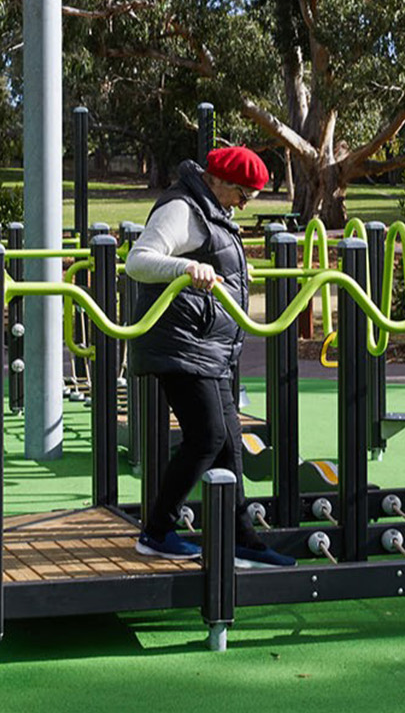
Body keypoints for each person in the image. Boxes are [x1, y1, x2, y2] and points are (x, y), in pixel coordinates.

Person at [125, 145, 295, 568]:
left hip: (209, 346)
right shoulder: (183, 209)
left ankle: (241, 539)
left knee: (230, 444)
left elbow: (211, 258)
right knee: (207, 437)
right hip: (179, 344)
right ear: (219, 181)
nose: (243, 204)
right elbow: (138, 261)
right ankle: (157, 531)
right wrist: (183, 270)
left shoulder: (213, 209)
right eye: (243, 194)